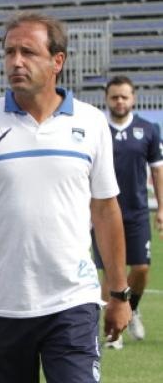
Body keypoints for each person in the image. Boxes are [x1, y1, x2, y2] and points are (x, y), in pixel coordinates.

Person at [0, 12, 131, 382]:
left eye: (28, 52)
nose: (16, 62)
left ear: (58, 61)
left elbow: (106, 211)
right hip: (0, 307)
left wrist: (119, 295)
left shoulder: (91, 123)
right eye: (9, 52)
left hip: (72, 303)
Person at [92, 75, 163, 349]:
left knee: (141, 269)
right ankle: (113, 333)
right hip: (103, 212)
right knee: (110, 272)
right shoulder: (97, 129)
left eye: (124, 96)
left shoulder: (148, 129)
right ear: (107, 99)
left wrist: (161, 208)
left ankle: (131, 309)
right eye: (114, 97)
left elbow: (157, 171)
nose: (119, 101)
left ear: (133, 99)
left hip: (137, 213)